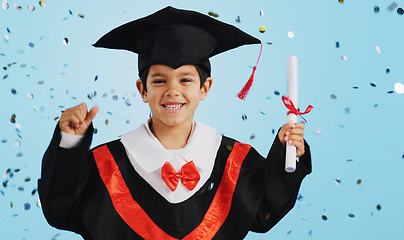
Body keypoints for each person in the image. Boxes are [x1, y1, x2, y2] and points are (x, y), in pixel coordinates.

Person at [38, 6, 311, 240]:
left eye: (186, 79)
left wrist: (288, 154)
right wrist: (70, 142)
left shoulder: (233, 162)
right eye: (159, 80)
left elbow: (265, 210)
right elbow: (61, 210)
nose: (172, 90)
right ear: (142, 90)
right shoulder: (106, 165)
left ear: (205, 88)